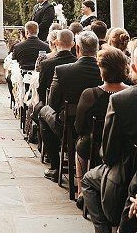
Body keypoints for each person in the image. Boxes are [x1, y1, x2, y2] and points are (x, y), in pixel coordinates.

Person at [82, 42, 137, 233]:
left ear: (134, 68)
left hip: (122, 178)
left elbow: (109, 153)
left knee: (88, 179)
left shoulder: (120, 100)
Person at [40, 30, 103, 182]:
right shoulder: (104, 71)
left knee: (43, 111)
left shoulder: (63, 71)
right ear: (97, 49)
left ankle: (55, 166)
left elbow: (53, 104)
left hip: (68, 125)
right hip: (99, 125)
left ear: (78, 49)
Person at [74, 46, 129, 205]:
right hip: (124, 150)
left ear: (102, 70)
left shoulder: (90, 94)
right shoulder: (130, 93)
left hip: (94, 145)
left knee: (81, 145)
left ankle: (81, 192)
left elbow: (79, 126)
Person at [35, 28, 77, 118]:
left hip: (54, 110)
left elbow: (41, 89)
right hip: (76, 110)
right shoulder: (77, 63)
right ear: (73, 44)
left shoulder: (46, 64)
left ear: (56, 42)